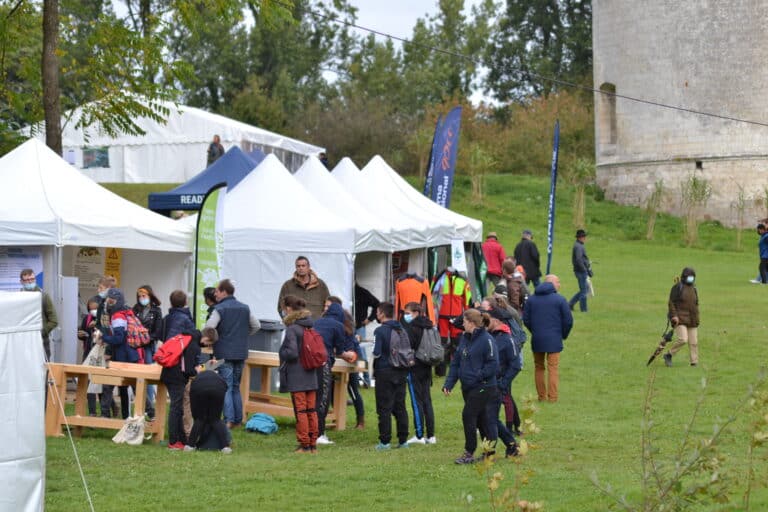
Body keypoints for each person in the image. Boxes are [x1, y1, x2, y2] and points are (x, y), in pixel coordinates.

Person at [442, 309, 499, 464]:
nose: (462, 323)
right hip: (467, 387)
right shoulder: (464, 339)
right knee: (481, 419)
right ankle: (489, 452)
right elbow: (456, 363)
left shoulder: (487, 340)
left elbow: (493, 365)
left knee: (468, 415)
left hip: (483, 387)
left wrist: (478, 376)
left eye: (465, 321)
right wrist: (449, 383)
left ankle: (469, 452)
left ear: (472, 323)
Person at [204, 278, 261, 429]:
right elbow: (256, 325)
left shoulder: (219, 309)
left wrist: (212, 339)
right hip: (240, 352)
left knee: (226, 387)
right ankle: (237, 419)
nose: (215, 294)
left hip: (224, 352)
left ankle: (228, 420)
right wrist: (242, 335)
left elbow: (209, 327)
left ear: (224, 292)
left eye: (217, 291)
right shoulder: (245, 308)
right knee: (236, 386)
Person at [311, 296, 356, 444]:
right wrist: (349, 355)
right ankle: (319, 434)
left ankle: (308, 431)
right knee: (323, 398)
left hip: (307, 363)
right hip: (323, 363)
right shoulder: (338, 325)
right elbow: (340, 350)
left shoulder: (316, 322)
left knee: (311, 397)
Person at [279, 295, 320, 453]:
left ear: (289, 309)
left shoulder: (292, 329)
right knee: (311, 410)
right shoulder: (310, 326)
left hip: (297, 375)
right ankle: (313, 444)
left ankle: (304, 444)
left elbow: (292, 353)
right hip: (311, 374)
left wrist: (282, 350)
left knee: (301, 411)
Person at [524, 275, 573, 403]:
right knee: (553, 368)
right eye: (558, 282)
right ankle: (553, 398)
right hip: (554, 339)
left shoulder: (531, 300)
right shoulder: (560, 300)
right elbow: (568, 321)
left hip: (538, 339)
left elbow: (526, 319)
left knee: (539, 367)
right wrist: (563, 334)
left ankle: (541, 396)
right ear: (551, 283)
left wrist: (535, 331)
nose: (559, 285)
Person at [372, 302, 410, 450]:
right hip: (401, 370)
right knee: (400, 406)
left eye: (377, 312)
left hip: (385, 371)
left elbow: (377, 352)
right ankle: (403, 440)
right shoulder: (401, 328)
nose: (376, 314)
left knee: (384, 408)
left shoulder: (380, 331)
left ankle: (385, 441)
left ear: (382, 313)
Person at [100, 288, 140, 418]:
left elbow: (118, 338)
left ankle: (120, 416)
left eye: (111, 300)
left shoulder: (118, 316)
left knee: (118, 386)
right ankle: (129, 417)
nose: (108, 303)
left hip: (123, 357)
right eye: (108, 300)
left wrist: (103, 338)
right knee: (128, 388)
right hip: (128, 355)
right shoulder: (126, 312)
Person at [486, 307, 521, 457]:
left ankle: (492, 452)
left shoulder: (507, 339)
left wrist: (503, 383)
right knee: (490, 418)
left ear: (496, 320)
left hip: (497, 385)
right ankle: (511, 446)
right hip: (487, 384)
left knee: (490, 418)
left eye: (487, 319)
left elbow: (516, 365)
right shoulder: (489, 336)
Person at [401, 302, 437, 445]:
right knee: (427, 400)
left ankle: (419, 435)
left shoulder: (412, 328)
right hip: (427, 365)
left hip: (414, 366)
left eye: (408, 312)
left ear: (415, 312)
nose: (405, 316)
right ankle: (431, 435)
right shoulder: (429, 325)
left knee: (417, 402)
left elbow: (407, 347)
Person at [162, 327, 203, 450]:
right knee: (176, 409)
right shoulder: (193, 345)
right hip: (176, 378)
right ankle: (173, 441)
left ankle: (181, 439)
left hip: (169, 374)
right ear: (206, 339)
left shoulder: (185, 338)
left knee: (178, 408)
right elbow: (188, 369)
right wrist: (197, 371)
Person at [133, 285, 164, 419]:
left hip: (149, 346)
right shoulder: (135, 309)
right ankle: (141, 405)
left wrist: (147, 339)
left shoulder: (156, 311)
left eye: (144, 295)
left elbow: (158, 331)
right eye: (139, 296)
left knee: (149, 375)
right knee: (136, 374)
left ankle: (149, 407)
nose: (142, 298)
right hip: (135, 346)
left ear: (150, 296)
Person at [186, 367, 232, 453]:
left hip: (199, 389)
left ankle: (190, 445)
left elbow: (194, 408)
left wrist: (199, 417)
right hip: (219, 389)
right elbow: (225, 388)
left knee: (200, 419)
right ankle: (225, 447)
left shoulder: (196, 380)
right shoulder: (219, 378)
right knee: (215, 419)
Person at [663, 267, 701, 367]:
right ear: (684, 277)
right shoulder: (677, 287)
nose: (691, 279)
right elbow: (671, 303)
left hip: (692, 319)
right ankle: (669, 354)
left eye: (693, 277)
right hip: (679, 319)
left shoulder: (694, 288)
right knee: (683, 339)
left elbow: (696, 304)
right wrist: (674, 316)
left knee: (694, 342)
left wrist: (697, 318)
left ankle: (694, 362)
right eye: (689, 277)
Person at [20, 268, 58, 360]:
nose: (30, 282)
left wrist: (41, 333)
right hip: (23, 341)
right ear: (21, 281)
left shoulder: (43, 296)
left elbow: (54, 320)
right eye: (27, 280)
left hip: (40, 340)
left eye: (32, 279)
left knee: (43, 368)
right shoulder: (18, 297)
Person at [354, 282, 379, 387]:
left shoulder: (362, 292)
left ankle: (366, 379)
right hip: (346, 327)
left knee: (361, 354)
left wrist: (369, 319)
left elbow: (377, 304)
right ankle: (355, 379)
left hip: (359, 327)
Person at [568, 229, 593, 313]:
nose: (585, 238)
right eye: (583, 236)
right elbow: (578, 260)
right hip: (580, 271)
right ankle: (584, 309)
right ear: (579, 238)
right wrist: (584, 270)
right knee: (584, 291)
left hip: (580, 270)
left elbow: (582, 259)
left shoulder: (579, 245)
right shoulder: (578, 246)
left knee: (584, 289)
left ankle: (570, 304)